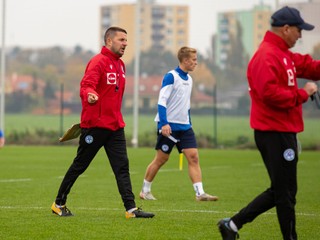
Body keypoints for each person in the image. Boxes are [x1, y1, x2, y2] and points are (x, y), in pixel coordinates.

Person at [217, 6, 319, 240]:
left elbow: (308, 66)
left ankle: (232, 225)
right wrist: (303, 94)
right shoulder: (267, 55)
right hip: (274, 132)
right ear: (286, 29)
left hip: (282, 131)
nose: (301, 35)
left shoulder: (282, 53)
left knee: (283, 191)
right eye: (298, 30)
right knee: (285, 193)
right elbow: (270, 93)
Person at [51, 26, 154, 219]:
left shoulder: (121, 65)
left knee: (122, 166)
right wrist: (90, 94)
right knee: (80, 165)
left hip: (115, 126)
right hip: (95, 126)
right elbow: (86, 86)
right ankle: (58, 204)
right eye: (121, 40)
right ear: (109, 41)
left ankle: (131, 209)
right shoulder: (97, 62)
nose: (126, 43)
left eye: (126, 40)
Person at [139, 46, 218, 202]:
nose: (196, 63)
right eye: (194, 60)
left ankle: (199, 193)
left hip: (185, 127)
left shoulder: (189, 79)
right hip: (168, 126)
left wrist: (189, 123)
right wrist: (164, 123)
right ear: (186, 60)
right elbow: (161, 102)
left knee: (194, 157)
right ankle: (145, 191)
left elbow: (186, 105)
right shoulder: (171, 76)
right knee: (161, 159)